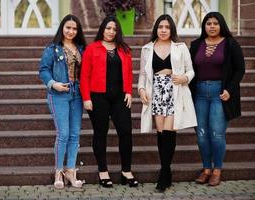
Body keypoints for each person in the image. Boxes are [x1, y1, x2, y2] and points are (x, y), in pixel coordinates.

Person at [138, 14, 197, 192]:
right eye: (160, 27)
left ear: (171, 29)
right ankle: (167, 171)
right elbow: (142, 74)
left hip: (174, 91)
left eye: (167, 27)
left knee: (170, 132)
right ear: (156, 28)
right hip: (156, 92)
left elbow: (191, 70)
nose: (163, 30)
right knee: (161, 133)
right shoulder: (147, 48)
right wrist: (141, 89)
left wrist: (185, 77)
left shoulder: (180, 47)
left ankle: (163, 175)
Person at [80, 16, 138, 188]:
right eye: (108, 28)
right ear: (102, 29)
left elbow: (128, 72)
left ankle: (126, 171)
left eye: (114, 29)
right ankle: (103, 172)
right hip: (98, 97)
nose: (111, 32)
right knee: (100, 133)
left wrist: (129, 91)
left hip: (120, 97)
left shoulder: (124, 49)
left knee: (126, 132)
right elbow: (84, 75)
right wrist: (86, 98)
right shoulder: (92, 48)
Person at [189, 12, 245, 186]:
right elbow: (189, 68)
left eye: (215, 23)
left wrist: (230, 89)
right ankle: (206, 169)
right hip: (199, 93)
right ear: (204, 26)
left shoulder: (230, 44)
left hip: (220, 94)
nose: (212, 26)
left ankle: (217, 170)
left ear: (221, 25)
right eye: (208, 23)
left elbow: (239, 69)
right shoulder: (196, 45)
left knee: (216, 134)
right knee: (201, 135)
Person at [39, 14, 86, 189]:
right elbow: (43, 70)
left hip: (77, 95)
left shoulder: (82, 48)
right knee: (63, 134)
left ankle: (71, 171)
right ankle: (58, 171)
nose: (71, 31)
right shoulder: (52, 48)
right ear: (62, 28)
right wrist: (54, 84)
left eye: (74, 28)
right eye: (68, 28)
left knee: (75, 134)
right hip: (58, 95)